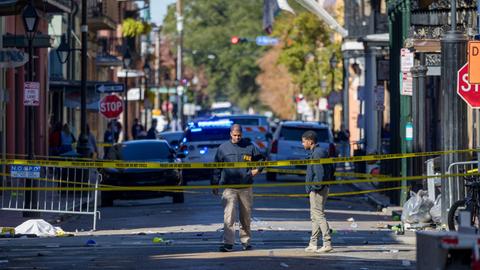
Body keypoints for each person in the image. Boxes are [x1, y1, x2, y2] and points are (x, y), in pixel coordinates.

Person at [212, 124, 264, 252]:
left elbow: (262, 159)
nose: (237, 137)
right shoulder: (223, 148)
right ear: (230, 134)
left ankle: (246, 242)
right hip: (229, 187)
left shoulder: (249, 146)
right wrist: (214, 183)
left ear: (242, 134)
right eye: (235, 135)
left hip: (245, 187)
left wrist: (257, 170)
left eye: (239, 135)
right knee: (229, 216)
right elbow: (216, 167)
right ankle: (228, 243)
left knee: (245, 216)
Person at [301, 130, 333, 253]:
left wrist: (315, 187)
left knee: (319, 215)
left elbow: (319, 173)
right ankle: (313, 243)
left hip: (318, 190)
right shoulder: (317, 152)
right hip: (318, 188)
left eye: (304, 141)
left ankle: (327, 242)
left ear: (310, 141)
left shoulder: (317, 154)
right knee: (314, 217)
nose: (302, 144)